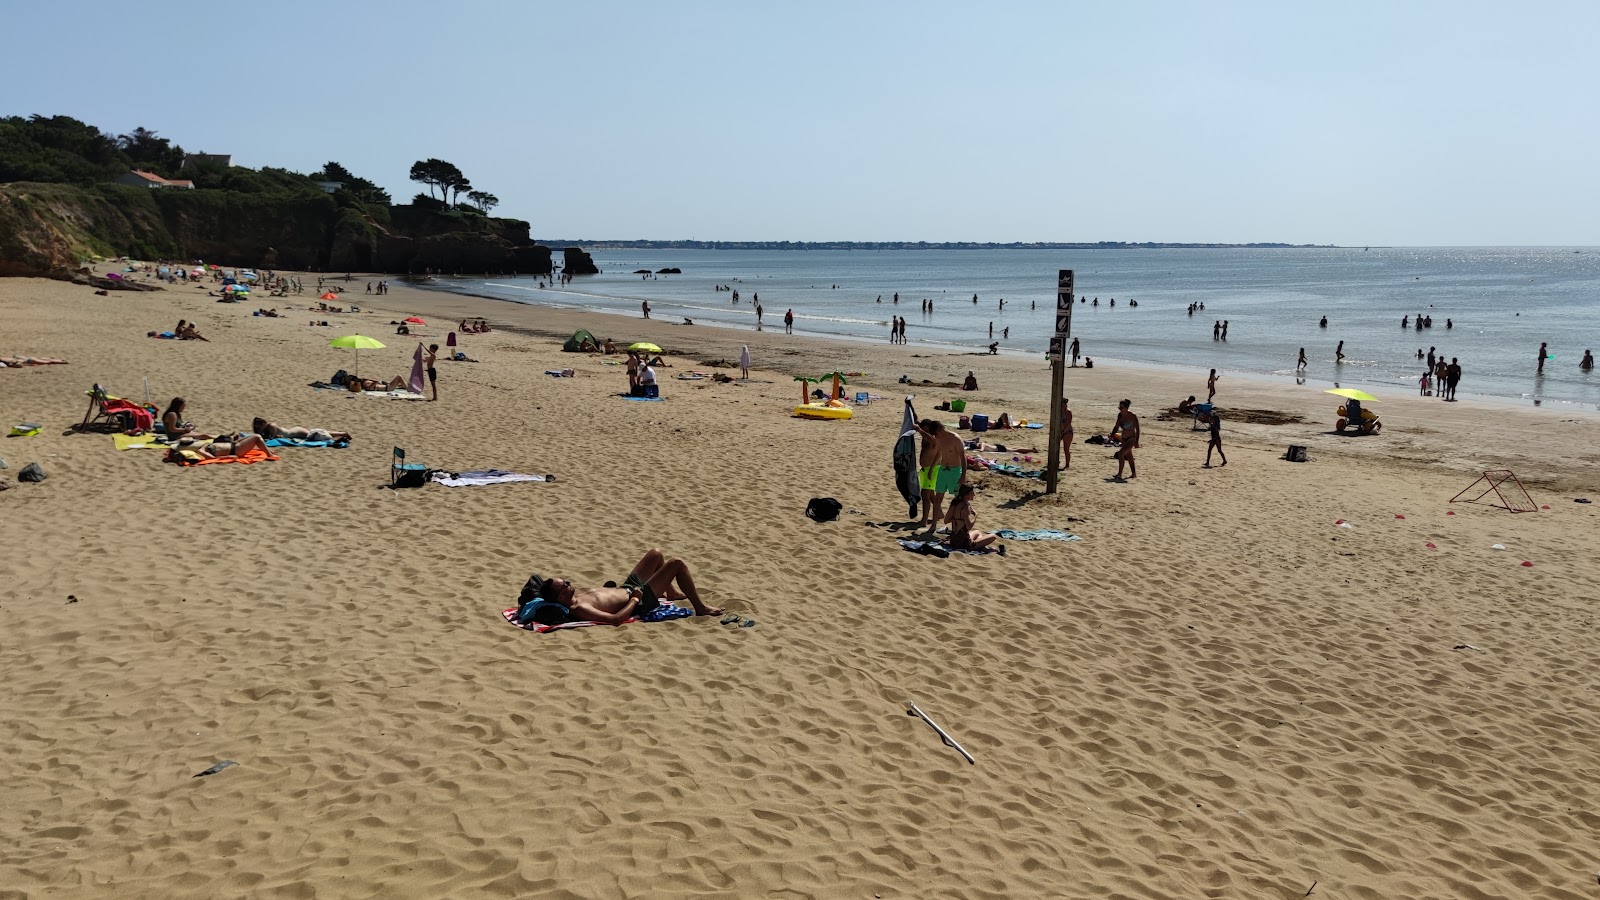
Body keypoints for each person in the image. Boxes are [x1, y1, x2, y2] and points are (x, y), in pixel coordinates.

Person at [516, 548, 724, 625]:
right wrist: (634, 599)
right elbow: (616, 619)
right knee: (676, 563)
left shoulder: (574, 594)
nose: (570, 583)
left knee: (656, 554)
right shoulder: (578, 608)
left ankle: (671, 591)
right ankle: (701, 607)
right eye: (566, 585)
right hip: (639, 601)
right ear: (561, 597)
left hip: (627, 587)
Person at [915, 419, 966, 529]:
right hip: (942, 470)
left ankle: (958, 525)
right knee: (937, 498)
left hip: (954, 471)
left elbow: (963, 457)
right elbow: (940, 454)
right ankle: (933, 525)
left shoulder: (954, 439)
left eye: (936, 433)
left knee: (958, 499)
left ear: (941, 429)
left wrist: (963, 475)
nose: (936, 436)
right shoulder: (938, 437)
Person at [944, 485, 1000, 552]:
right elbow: (969, 526)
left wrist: (956, 518)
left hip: (953, 540)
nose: (974, 494)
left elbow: (946, 521)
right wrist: (975, 515)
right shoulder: (965, 506)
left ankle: (981, 546)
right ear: (966, 495)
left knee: (978, 532)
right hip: (964, 544)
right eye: (972, 493)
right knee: (993, 536)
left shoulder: (954, 503)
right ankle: (981, 547)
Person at [252, 418, 350, 443]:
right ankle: (341, 433)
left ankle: (342, 433)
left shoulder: (271, 426)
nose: (259, 429)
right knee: (316, 433)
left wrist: (261, 434)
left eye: (259, 427)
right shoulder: (267, 428)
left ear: (263, 424)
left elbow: (271, 438)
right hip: (294, 432)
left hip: (297, 432)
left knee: (318, 435)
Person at [1112, 399, 1139, 481]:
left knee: (1121, 454)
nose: (1120, 409)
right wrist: (1112, 434)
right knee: (1129, 456)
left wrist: (1137, 442)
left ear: (1126, 408)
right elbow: (1116, 426)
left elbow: (1138, 429)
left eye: (1121, 407)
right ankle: (1134, 474)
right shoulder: (1120, 415)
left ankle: (1119, 474)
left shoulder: (1133, 416)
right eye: (1119, 407)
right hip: (1124, 439)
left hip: (1131, 439)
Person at [1058, 396, 1073, 469]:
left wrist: (1063, 431)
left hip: (1067, 432)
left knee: (1066, 449)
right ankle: (1056, 461)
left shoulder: (1068, 412)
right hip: (1060, 431)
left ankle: (1067, 464)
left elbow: (1068, 423)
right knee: (1055, 446)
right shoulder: (1058, 411)